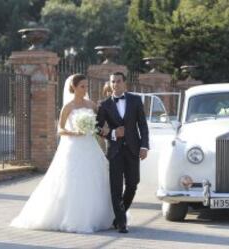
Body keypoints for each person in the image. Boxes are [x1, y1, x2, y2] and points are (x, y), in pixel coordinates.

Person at [10, 74, 114, 233]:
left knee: (94, 178)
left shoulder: (91, 104)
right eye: (82, 86)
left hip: (90, 146)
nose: (85, 89)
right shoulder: (68, 107)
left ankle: (97, 217)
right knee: (73, 180)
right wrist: (74, 132)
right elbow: (60, 129)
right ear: (74, 87)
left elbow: (101, 121)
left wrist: (102, 128)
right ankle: (73, 217)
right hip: (73, 146)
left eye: (86, 86)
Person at [96, 72, 149, 233]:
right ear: (110, 84)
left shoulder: (135, 100)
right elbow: (97, 127)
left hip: (133, 149)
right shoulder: (104, 105)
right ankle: (121, 222)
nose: (115, 84)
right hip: (115, 151)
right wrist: (112, 133)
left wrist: (144, 146)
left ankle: (119, 216)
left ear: (124, 83)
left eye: (118, 81)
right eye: (113, 82)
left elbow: (143, 125)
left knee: (133, 184)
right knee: (116, 188)